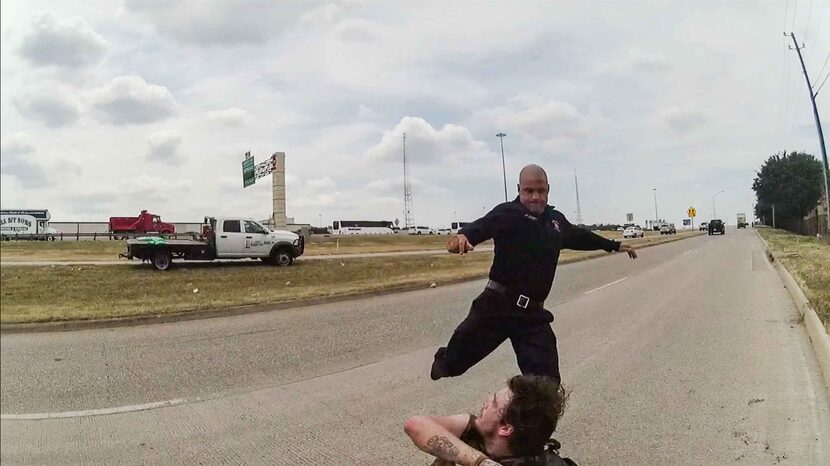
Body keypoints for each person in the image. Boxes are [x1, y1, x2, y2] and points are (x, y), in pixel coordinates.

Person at [431, 165, 637, 383]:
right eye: (528, 191)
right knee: (451, 365)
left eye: (541, 191)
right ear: (519, 189)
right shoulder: (507, 213)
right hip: (495, 308)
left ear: (548, 190)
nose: (535, 197)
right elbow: (478, 228)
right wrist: (460, 239)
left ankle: (525, 414)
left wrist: (614, 245)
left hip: (532, 317)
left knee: (546, 387)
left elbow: (582, 237)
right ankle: (445, 361)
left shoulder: (556, 221)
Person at [404, 374, 574, 465]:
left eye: (493, 403)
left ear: (506, 429)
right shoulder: (474, 428)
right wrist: (481, 463)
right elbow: (415, 425)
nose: (486, 402)